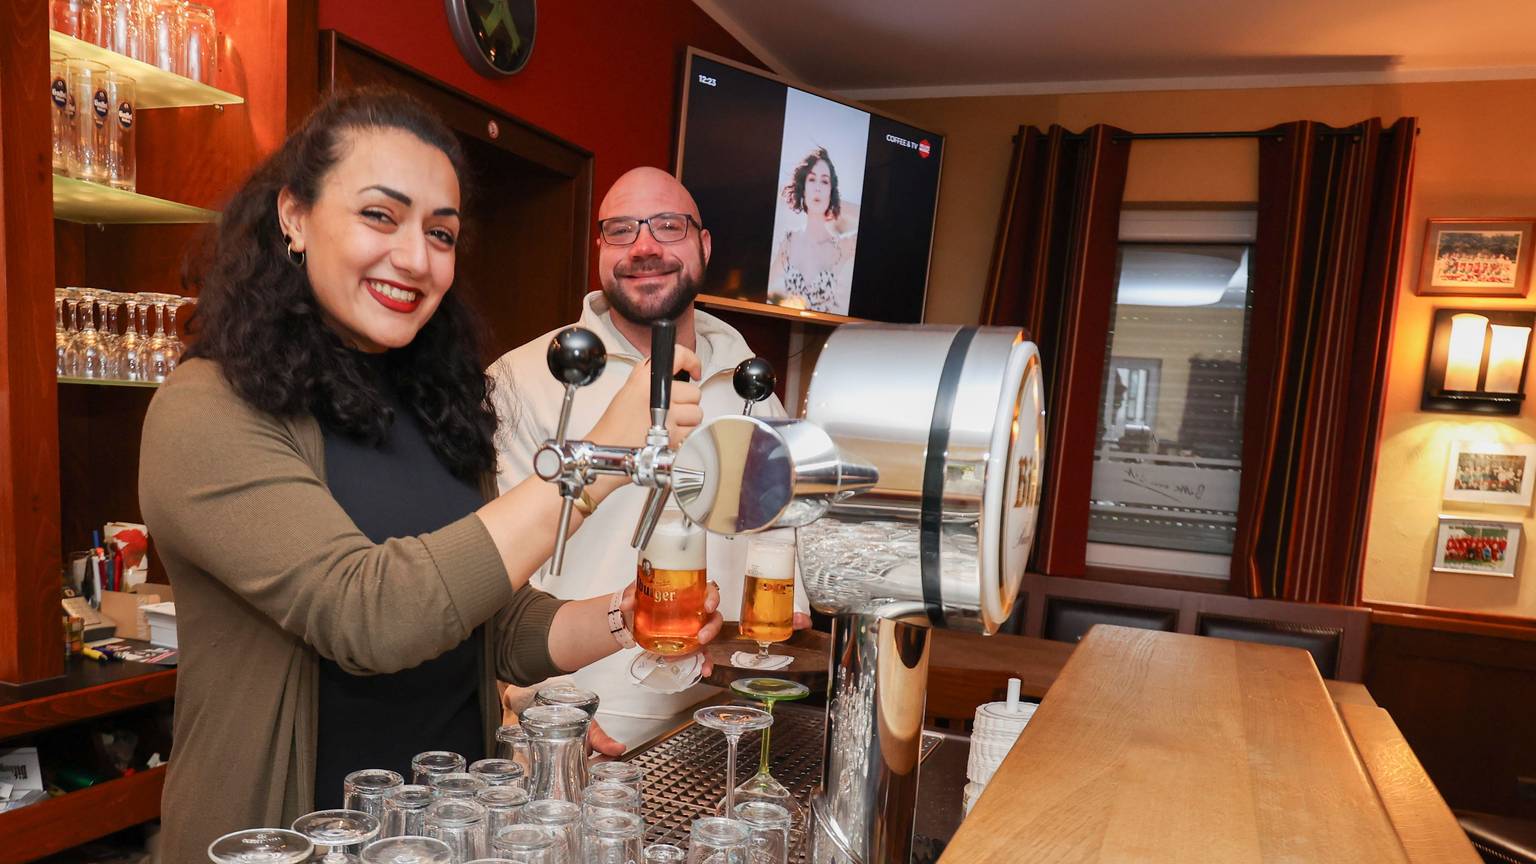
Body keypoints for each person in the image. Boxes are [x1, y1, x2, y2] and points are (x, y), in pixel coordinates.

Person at [138, 91, 722, 862]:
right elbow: (368, 612)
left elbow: (491, 624)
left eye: (440, 233)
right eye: (380, 215)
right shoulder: (206, 409)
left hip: (445, 837)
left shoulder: (432, 406)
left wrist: (625, 618)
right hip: (295, 841)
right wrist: (593, 461)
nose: (415, 258)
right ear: (294, 216)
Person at [489, 166, 810, 749]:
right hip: (585, 732)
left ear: (704, 245)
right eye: (621, 230)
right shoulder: (521, 380)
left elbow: (780, 544)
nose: (644, 247)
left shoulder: (750, 385)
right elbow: (494, 570)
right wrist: (541, 709)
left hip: (723, 725)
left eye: (668, 226)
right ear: (599, 250)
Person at [766, 147, 858, 315]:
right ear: (803, 187)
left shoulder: (842, 246)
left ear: (831, 190)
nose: (818, 188)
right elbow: (762, 291)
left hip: (823, 328)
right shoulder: (789, 242)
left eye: (825, 182)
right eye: (812, 179)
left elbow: (872, 222)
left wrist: (837, 204)